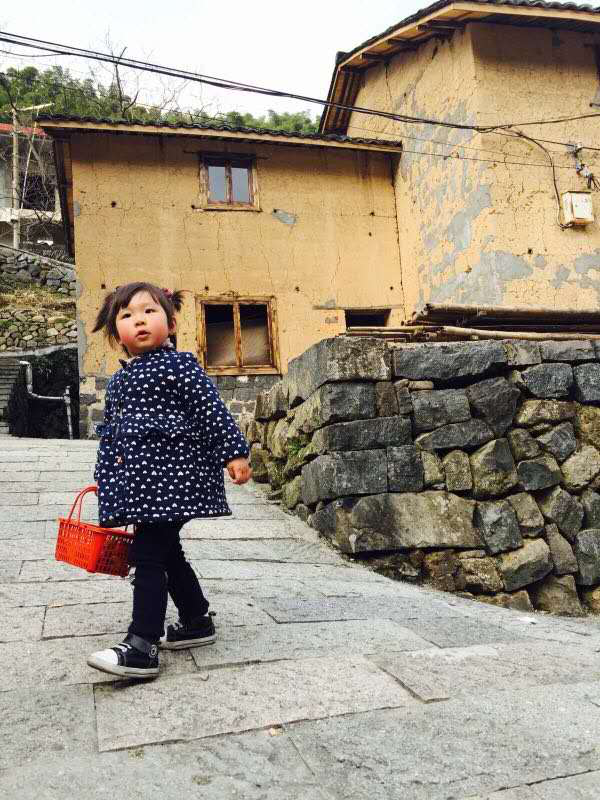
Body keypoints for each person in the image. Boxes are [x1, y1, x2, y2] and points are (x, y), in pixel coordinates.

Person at [86, 281, 251, 679]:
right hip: (144, 485)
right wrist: (106, 477)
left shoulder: (180, 367)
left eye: (149, 311)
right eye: (127, 315)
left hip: (178, 478)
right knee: (167, 550)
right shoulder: (119, 381)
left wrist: (234, 452)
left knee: (147, 554)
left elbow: (211, 410)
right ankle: (196, 620)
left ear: (171, 324)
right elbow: (112, 435)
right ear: (116, 334)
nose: (139, 320)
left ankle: (142, 644)